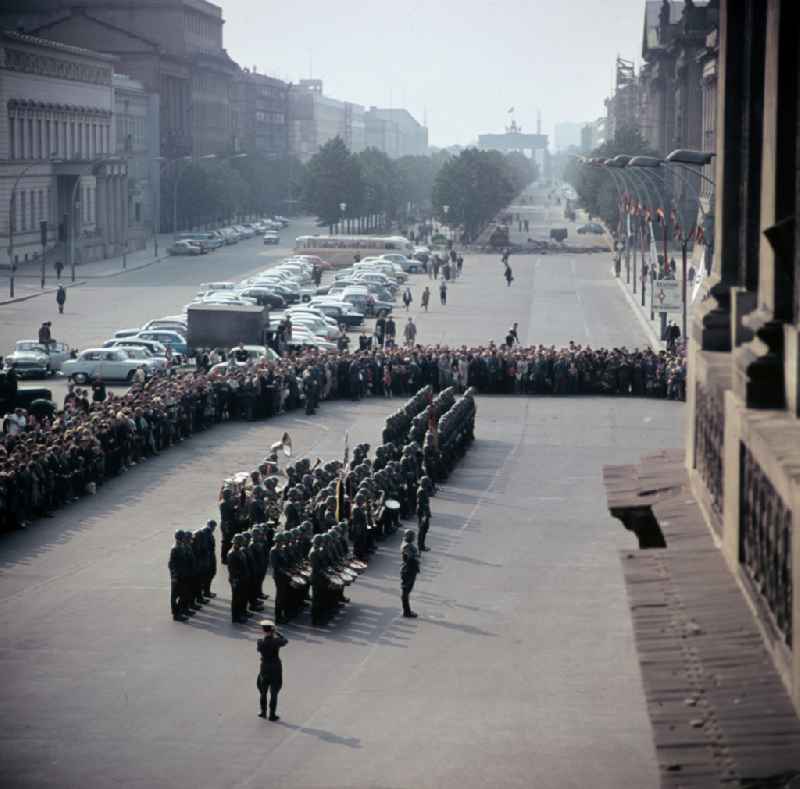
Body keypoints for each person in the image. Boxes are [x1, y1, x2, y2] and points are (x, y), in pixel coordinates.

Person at [256, 619, 287, 720]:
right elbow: (285, 641)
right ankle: (272, 715)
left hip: (264, 668)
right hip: (275, 668)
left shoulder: (260, 642)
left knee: (263, 692)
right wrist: (277, 633)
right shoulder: (276, 641)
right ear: (272, 630)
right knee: (274, 692)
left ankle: (263, 712)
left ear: (263, 630)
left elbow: (259, 648)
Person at [400, 529, 420, 618]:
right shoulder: (406, 546)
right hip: (408, 570)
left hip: (409, 570)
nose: (414, 538)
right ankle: (406, 612)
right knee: (406, 591)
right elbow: (410, 558)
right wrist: (415, 556)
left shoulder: (406, 544)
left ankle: (407, 611)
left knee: (407, 591)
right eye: (412, 536)